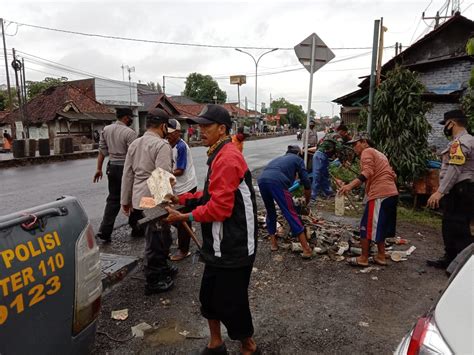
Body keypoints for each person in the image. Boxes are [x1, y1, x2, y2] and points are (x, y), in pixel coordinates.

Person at [165, 104, 259, 355]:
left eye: (206, 126)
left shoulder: (227, 158)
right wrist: (182, 199)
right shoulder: (218, 153)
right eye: (198, 125)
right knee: (209, 297)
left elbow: (220, 209)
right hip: (218, 243)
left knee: (232, 301)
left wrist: (184, 216)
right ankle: (215, 343)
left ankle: (249, 346)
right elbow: (210, 195)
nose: (199, 130)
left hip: (234, 242)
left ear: (222, 129)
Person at [121, 108, 176, 294]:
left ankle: (163, 267)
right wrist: (166, 204)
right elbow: (162, 177)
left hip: (139, 197)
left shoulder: (135, 143)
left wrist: (125, 200)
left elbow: (127, 174)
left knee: (161, 236)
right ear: (163, 126)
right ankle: (154, 279)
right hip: (153, 198)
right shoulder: (161, 145)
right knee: (156, 238)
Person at [338, 132, 399, 267]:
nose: (354, 147)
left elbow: (367, 172)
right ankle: (381, 256)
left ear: (364, 142)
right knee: (379, 226)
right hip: (391, 193)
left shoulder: (367, 151)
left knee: (366, 226)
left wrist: (349, 186)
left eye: (355, 144)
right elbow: (393, 175)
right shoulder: (380, 155)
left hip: (380, 194)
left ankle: (363, 258)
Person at [427, 109, 474, 269]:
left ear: (451, 123)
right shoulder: (462, 141)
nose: (444, 127)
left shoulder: (461, 142)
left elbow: (455, 169)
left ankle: (463, 266)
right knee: (450, 225)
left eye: (445, 124)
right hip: (459, 190)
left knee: (458, 226)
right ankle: (450, 259)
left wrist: (440, 191)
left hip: (460, 190)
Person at [257, 145, 313, 258]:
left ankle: (273, 244)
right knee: (290, 213)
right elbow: (306, 182)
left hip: (262, 180)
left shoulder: (280, 159)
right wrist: (307, 202)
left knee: (270, 211)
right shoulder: (298, 159)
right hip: (277, 181)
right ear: (298, 153)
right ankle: (306, 249)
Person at [93, 108, 138, 243]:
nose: (132, 120)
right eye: (131, 117)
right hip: (126, 168)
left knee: (113, 199)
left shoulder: (106, 130)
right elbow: (133, 155)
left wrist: (98, 169)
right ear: (125, 118)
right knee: (132, 197)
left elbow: (102, 151)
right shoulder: (130, 133)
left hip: (111, 167)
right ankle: (136, 227)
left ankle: (104, 231)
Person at [166, 118, 198, 261]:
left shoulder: (181, 147)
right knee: (174, 217)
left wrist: (163, 174)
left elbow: (180, 170)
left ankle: (184, 250)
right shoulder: (166, 145)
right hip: (175, 187)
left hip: (186, 186)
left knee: (181, 218)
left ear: (178, 132)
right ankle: (185, 231)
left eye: (172, 133)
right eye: (167, 132)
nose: (169, 135)